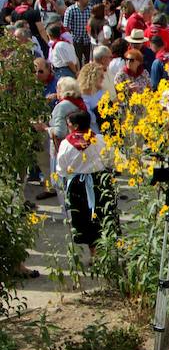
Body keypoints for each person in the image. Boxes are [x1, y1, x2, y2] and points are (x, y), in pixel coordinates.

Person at [55, 110, 119, 259]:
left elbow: (61, 168)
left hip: (78, 185)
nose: (68, 126)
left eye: (69, 124)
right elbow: (110, 160)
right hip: (100, 182)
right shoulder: (100, 139)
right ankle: (105, 251)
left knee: (85, 218)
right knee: (103, 214)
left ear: (75, 125)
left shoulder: (66, 144)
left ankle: (94, 253)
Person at [63, 0, 92, 67]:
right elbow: (66, 27)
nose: (88, 0)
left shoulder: (90, 9)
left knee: (88, 60)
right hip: (76, 40)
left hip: (87, 39)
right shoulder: (70, 10)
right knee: (77, 60)